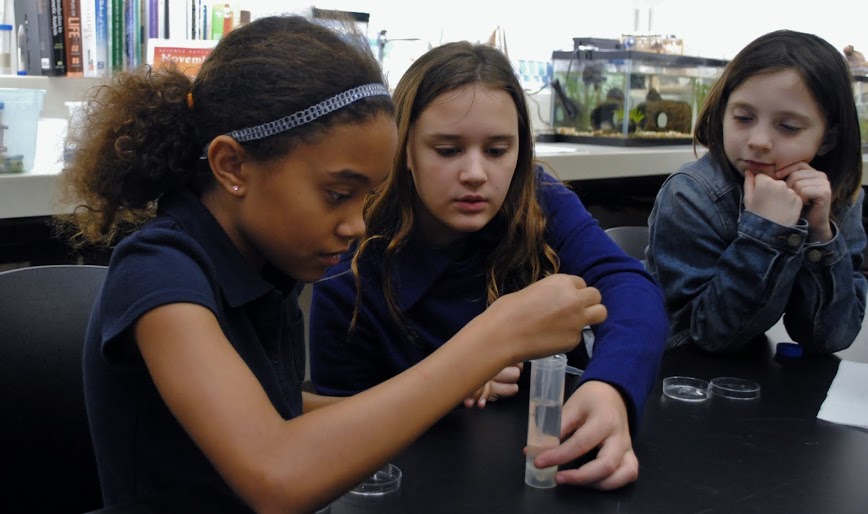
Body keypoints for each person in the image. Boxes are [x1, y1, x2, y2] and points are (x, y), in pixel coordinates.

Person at [58, 16, 605, 513]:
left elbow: (274, 406)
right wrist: (493, 337)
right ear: (232, 166)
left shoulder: (258, 262)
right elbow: (276, 473)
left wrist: (436, 390)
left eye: (366, 197)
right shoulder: (159, 275)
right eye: (337, 193)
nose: (357, 226)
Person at [309, 41, 669, 490]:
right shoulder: (351, 272)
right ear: (403, 149)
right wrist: (446, 384)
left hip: (550, 475)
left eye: (498, 150)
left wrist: (611, 387)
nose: (476, 173)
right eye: (447, 150)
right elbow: (330, 439)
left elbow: (629, 285)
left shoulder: (538, 203)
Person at [647, 29, 867, 353]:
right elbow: (707, 338)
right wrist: (766, 232)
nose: (759, 140)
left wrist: (822, 234)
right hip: (681, 378)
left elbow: (831, 337)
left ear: (829, 137)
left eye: (788, 127)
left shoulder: (835, 196)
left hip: (761, 381)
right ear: (722, 113)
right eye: (743, 118)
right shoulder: (690, 195)